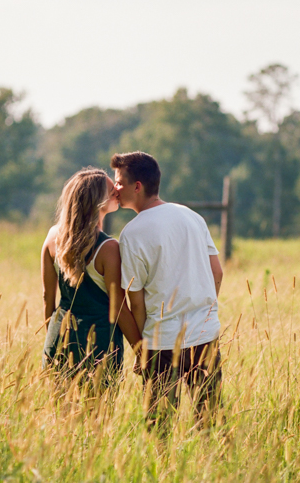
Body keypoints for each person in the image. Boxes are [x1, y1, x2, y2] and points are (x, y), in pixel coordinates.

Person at [111, 151, 223, 426]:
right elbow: (217, 272)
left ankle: (163, 469)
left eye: (119, 182)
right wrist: (202, 314)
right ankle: (215, 468)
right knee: (210, 421)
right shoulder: (192, 217)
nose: (115, 188)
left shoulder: (132, 233)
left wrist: (141, 348)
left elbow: (135, 303)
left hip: (161, 343)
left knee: (159, 427)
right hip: (205, 335)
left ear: (137, 186)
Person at [41, 167, 142, 385]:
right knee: (98, 417)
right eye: (109, 189)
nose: (116, 189)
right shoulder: (108, 248)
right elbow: (119, 308)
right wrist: (141, 351)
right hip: (100, 347)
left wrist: (53, 340)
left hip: (58, 341)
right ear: (95, 201)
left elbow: (47, 299)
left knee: (59, 415)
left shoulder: (52, 237)